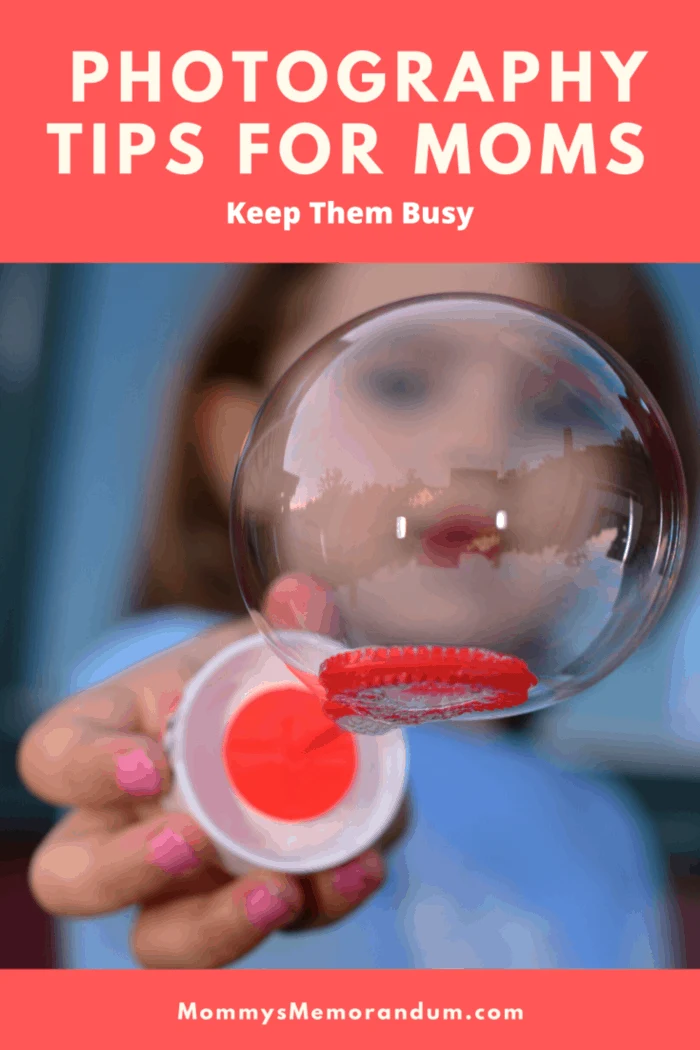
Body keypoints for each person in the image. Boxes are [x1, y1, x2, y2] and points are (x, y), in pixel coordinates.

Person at [18, 263, 693, 969]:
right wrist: (215, 737)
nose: (481, 446)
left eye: (560, 409)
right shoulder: (196, 687)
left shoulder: (606, 825)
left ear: (628, 488)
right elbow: (170, 717)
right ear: (238, 446)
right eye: (400, 383)